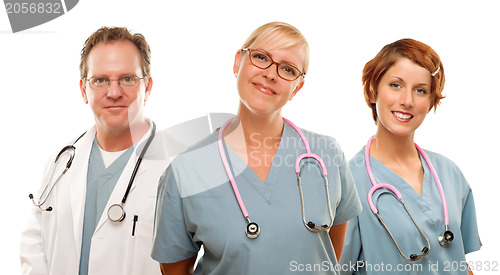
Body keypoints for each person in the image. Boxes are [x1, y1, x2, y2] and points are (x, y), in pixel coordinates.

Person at [151, 22, 362, 274]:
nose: (271, 74)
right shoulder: (186, 171)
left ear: (298, 87)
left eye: (288, 69)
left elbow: (327, 258)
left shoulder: (327, 155)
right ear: (237, 62)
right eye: (261, 57)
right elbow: (174, 270)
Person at [20, 27, 168, 275]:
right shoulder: (61, 162)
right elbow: (34, 242)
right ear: (83, 90)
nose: (114, 92)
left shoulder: (175, 168)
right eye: (100, 80)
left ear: (148, 87)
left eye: (127, 79)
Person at [340, 39, 481, 274]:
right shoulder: (347, 183)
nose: (407, 101)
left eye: (420, 90)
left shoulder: (449, 172)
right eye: (396, 85)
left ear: (430, 101)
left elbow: (458, 261)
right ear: (373, 90)